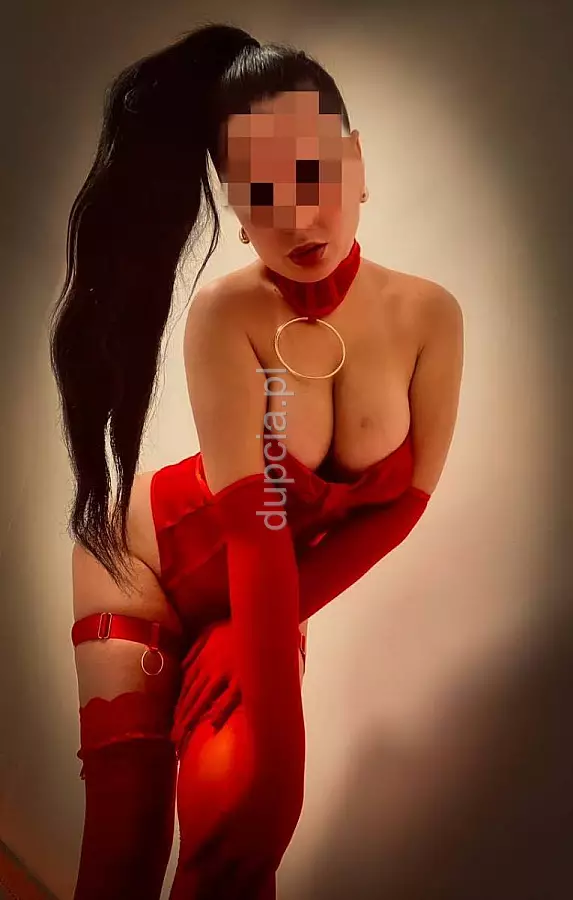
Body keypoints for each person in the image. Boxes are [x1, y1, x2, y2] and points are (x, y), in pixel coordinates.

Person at [49, 21, 463, 900]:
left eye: (313, 174)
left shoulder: (430, 317)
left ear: (356, 160)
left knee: (231, 850)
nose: (296, 217)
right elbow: (256, 522)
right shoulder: (226, 314)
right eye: (260, 193)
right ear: (233, 209)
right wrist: (280, 768)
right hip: (140, 569)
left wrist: (261, 638)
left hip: (265, 593)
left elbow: (407, 501)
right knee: (124, 854)